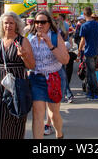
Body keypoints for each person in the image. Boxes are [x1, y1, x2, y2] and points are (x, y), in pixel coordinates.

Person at [0, 12, 35, 139]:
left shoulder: (23, 41)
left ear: (16, 25)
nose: (8, 26)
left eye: (11, 23)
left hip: (17, 84)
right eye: (6, 23)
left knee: (15, 119)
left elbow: (31, 65)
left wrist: (23, 56)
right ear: (1, 25)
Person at [28, 10, 69, 139]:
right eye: (37, 22)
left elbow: (65, 60)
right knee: (38, 113)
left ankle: (59, 134)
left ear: (49, 23)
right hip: (36, 78)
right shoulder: (30, 38)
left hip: (54, 78)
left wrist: (50, 44)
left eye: (43, 22)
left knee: (53, 113)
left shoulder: (55, 36)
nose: (40, 25)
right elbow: (29, 62)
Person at [79, 7, 98, 100]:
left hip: (89, 52)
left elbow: (82, 40)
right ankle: (91, 92)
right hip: (97, 51)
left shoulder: (84, 26)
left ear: (84, 15)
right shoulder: (97, 24)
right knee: (91, 73)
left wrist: (80, 50)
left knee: (90, 74)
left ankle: (94, 94)